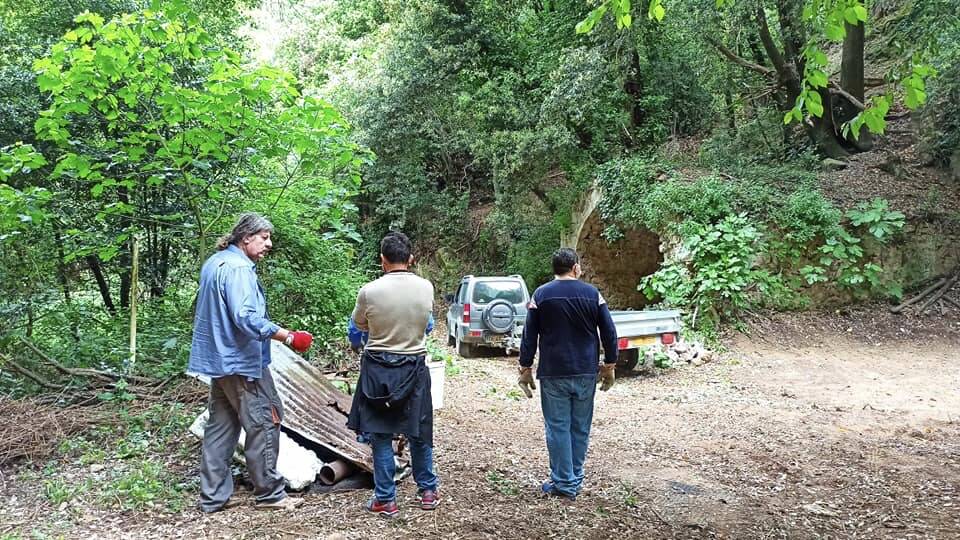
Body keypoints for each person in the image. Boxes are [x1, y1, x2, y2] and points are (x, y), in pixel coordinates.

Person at [188, 213, 314, 513]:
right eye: (264, 237)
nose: (268, 244)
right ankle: (270, 494)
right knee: (266, 418)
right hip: (241, 361)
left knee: (221, 426)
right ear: (246, 237)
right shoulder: (239, 269)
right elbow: (246, 317)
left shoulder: (214, 262)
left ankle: (213, 496)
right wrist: (288, 336)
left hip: (218, 361)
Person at [346, 231, 439, 518]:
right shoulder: (426, 287)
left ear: (382, 260)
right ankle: (427, 491)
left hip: (378, 371)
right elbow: (428, 325)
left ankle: (385, 498)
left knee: (381, 434)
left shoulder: (369, 291)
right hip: (414, 367)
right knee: (420, 431)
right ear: (410, 259)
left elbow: (357, 328)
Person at [517, 247, 618, 501]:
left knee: (558, 427)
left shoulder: (541, 295)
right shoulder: (592, 294)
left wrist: (525, 367)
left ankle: (565, 482)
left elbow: (529, 335)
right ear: (575, 267)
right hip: (585, 371)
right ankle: (574, 477)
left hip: (553, 372)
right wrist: (609, 365)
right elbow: (609, 331)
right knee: (580, 427)